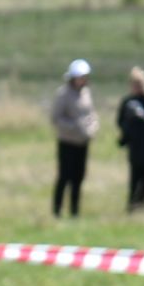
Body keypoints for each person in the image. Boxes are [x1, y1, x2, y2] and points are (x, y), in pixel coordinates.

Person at [51, 58, 99, 218]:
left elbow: (91, 114)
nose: (82, 80)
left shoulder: (86, 93)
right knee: (64, 176)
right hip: (67, 142)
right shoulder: (63, 95)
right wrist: (74, 126)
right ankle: (57, 210)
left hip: (82, 142)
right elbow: (56, 119)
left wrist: (92, 128)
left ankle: (74, 211)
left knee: (78, 177)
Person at [119, 66, 144, 214]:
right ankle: (132, 206)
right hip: (136, 148)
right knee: (135, 178)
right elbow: (120, 122)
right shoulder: (127, 102)